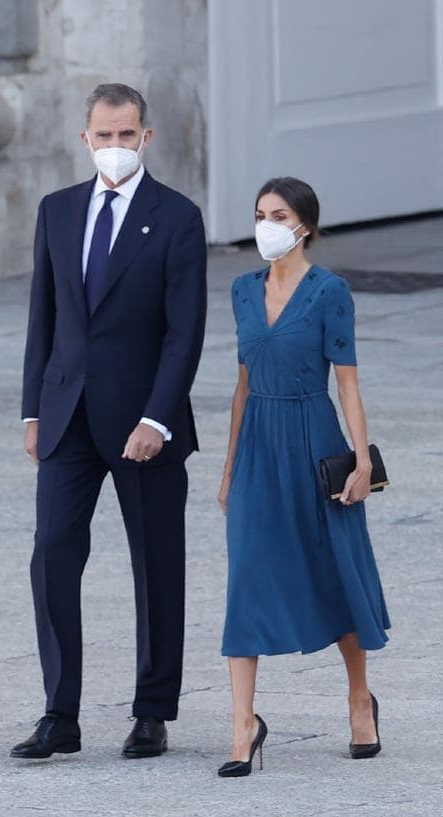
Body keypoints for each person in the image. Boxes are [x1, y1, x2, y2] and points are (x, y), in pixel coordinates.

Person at [12, 84, 207, 761]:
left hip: (143, 423)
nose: (117, 148)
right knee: (52, 557)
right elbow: (45, 316)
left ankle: (152, 711)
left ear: (146, 138)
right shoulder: (57, 211)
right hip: (66, 416)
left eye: (128, 136)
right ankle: (58, 712)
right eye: (105, 136)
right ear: (85, 137)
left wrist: (157, 416)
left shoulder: (176, 218)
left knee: (155, 565)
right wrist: (34, 409)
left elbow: (184, 332)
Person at [217, 177, 390, 778]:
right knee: (245, 578)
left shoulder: (330, 292)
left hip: (315, 441)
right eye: (260, 213)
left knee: (333, 573)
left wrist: (363, 461)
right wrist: (229, 466)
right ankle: (243, 727)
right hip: (259, 444)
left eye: (279, 214)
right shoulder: (241, 291)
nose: (267, 223)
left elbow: (347, 383)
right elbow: (241, 384)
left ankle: (358, 699)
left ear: (305, 225)